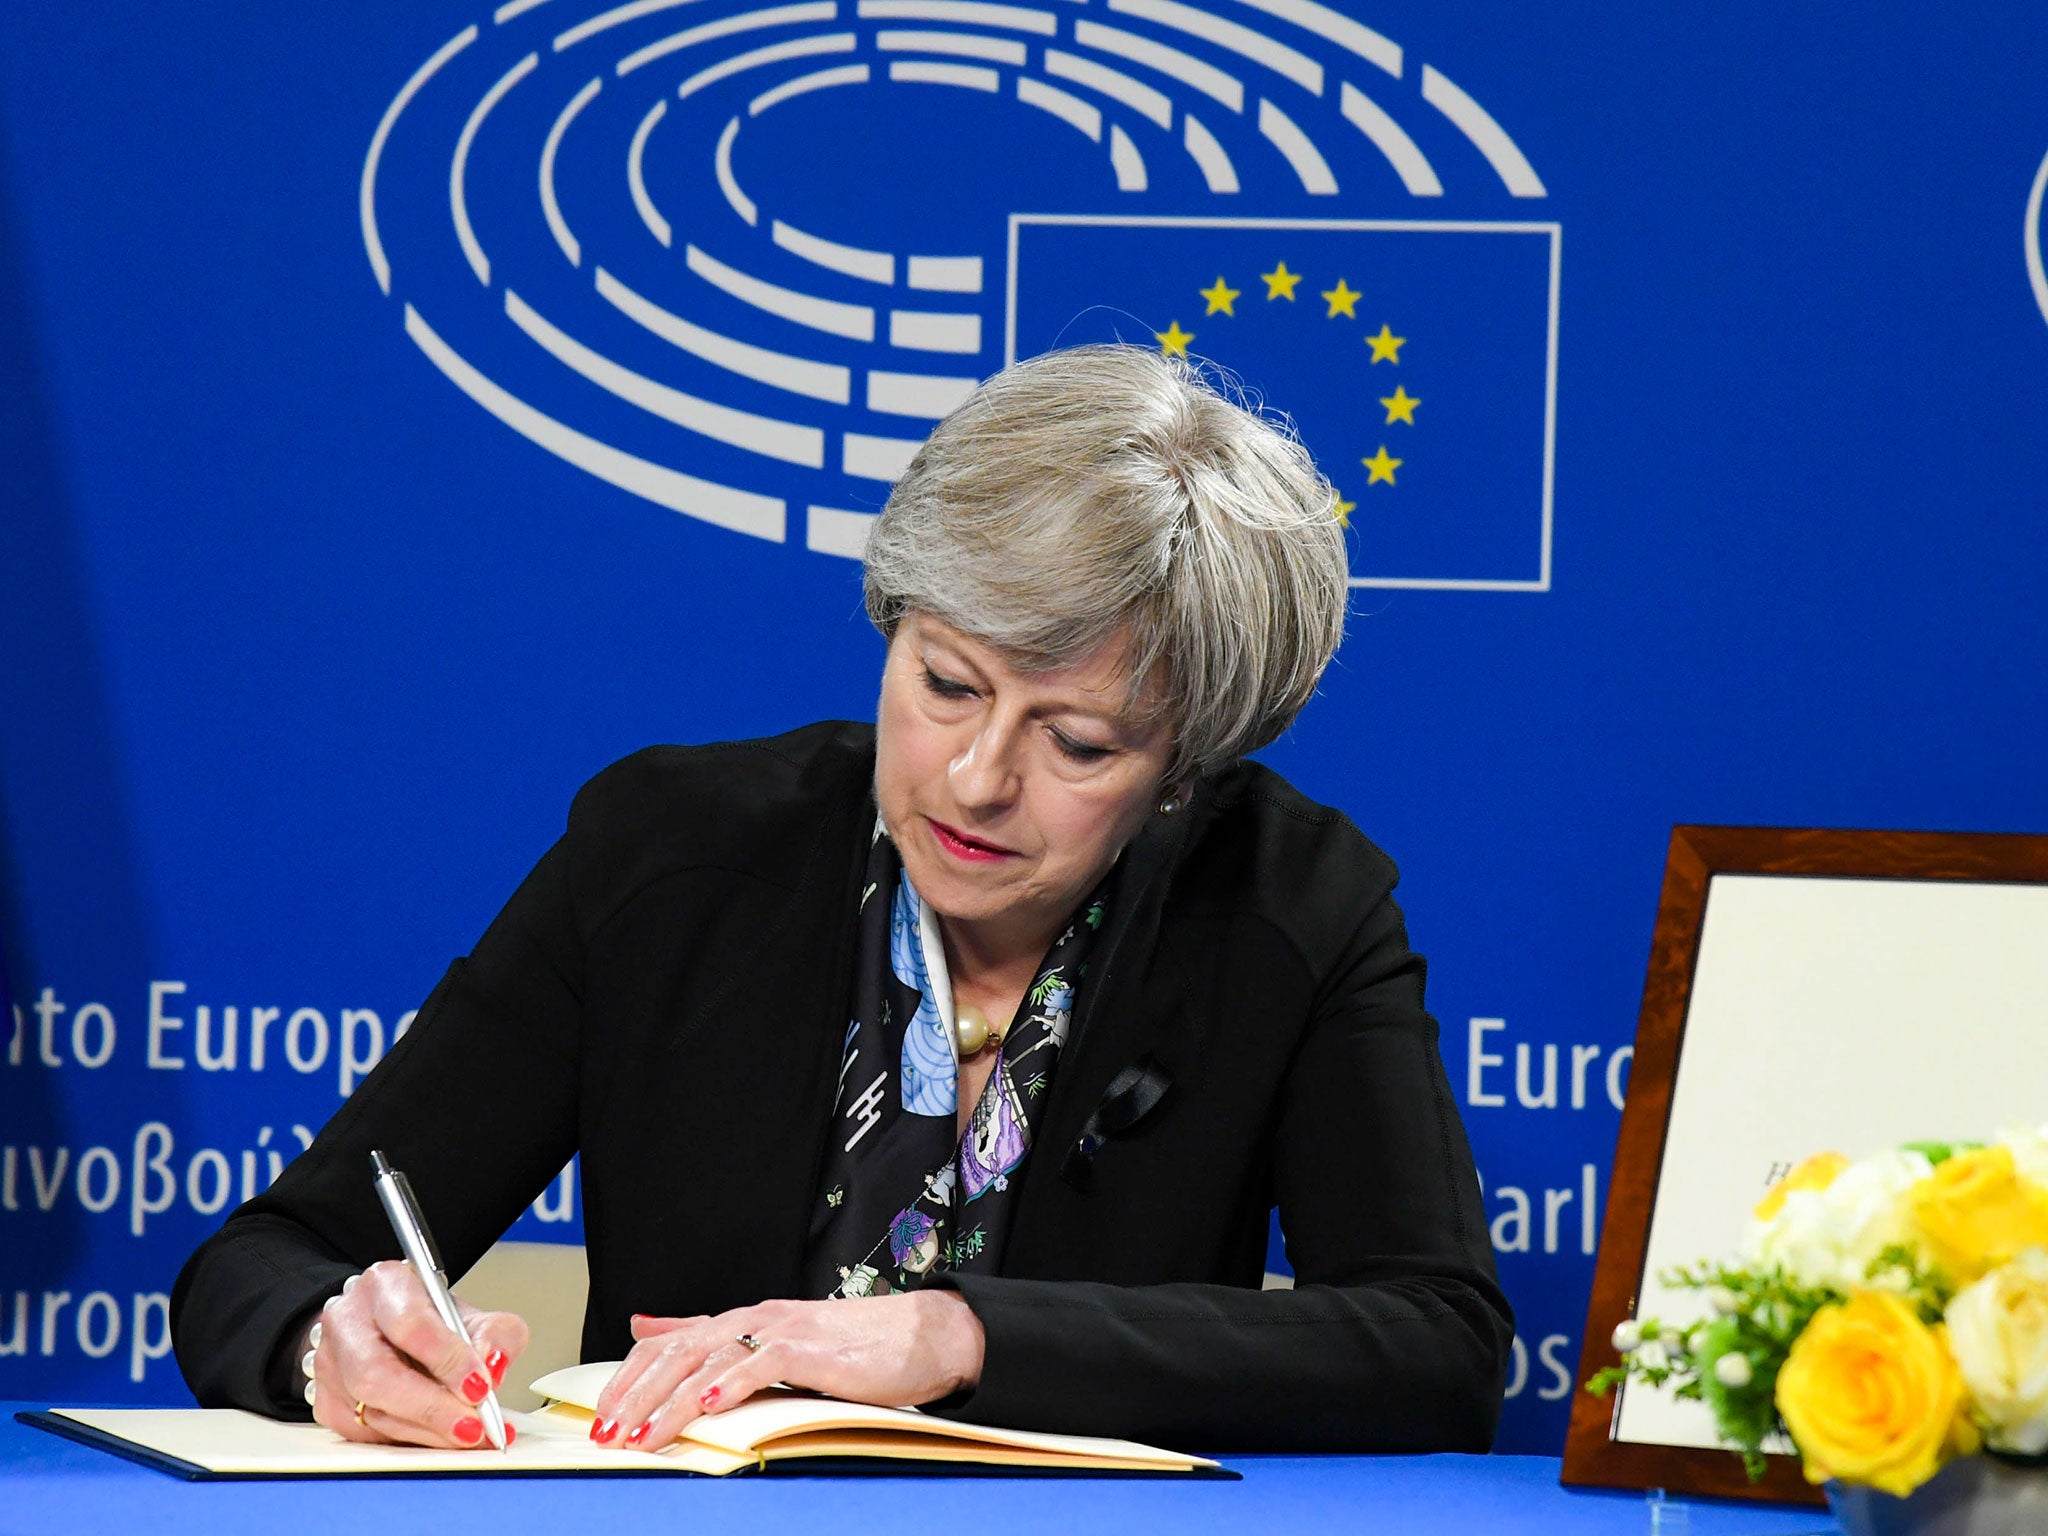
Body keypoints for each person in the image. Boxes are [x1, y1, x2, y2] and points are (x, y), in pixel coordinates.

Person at [171, 344, 1512, 1456]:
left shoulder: (1300, 902)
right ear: (892, 625)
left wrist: (961, 1332)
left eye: (1080, 744)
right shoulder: (666, 854)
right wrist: (321, 1345)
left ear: (1184, 773)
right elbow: (268, 1256)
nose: (979, 780)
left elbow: (1435, 1342)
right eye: (946, 684)